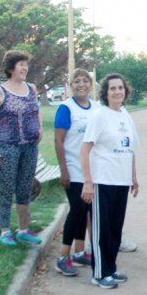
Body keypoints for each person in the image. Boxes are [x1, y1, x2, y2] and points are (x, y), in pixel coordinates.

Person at [80, 73, 139, 289]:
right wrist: (88, 182)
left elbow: (130, 149)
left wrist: (133, 177)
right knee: (101, 229)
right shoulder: (99, 116)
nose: (117, 92)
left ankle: (111, 268)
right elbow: (85, 150)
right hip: (102, 180)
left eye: (120, 88)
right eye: (112, 88)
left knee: (115, 228)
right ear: (106, 92)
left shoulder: (126, 115)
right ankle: (99, 273)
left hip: (121, 181)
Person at [0, 50, 43, 246]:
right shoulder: (0, 91)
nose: (25, 68)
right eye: (20, 64)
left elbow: (36, 111)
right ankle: (4, 231)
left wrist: (40, 127)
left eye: (26, 64)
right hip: (6, 147)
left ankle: (24, 229)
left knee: (25, 187)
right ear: (11, 68)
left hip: (29, 147)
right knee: (5, 188)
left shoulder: (31, 88)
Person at [53, 69, 100, 276]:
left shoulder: (96, 108)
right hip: (73, 168)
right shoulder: (66, 108)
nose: (81, 85)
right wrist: (64, 170)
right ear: (70, 85)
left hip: (91, 170)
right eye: (76, 81)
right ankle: (63, 256)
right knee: (77, 209)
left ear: (90, 84)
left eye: (85, 81)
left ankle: (80, 252)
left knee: (85, 210)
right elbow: (58, 140)